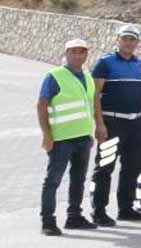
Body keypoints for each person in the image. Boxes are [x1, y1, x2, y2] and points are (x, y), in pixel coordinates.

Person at [90, 25, 141, 225]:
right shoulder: (105, 62)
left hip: (135, 123)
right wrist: (99, 124)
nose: (129, 42)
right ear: (118, 40)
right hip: (112, 122)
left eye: (132, 39)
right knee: (105, 168)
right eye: (125, 38)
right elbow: (95, 95)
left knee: (132, 167)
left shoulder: (140, 64)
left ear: (137, 42)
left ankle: (125, 208)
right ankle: (98, 211)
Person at [37, 39, 99, 236]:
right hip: (61, 139)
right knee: (53, 180)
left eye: (82, 52)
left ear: (86, 55)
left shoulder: (87, 76)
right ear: (66, 54)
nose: (78, 55)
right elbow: (41, 105)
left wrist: (97, 128)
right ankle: (48, 221)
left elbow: (92, 104)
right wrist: (47, 135)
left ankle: (74, 217)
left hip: (83, 137)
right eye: (74, 52)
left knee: (78, 180)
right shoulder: (54, 76)